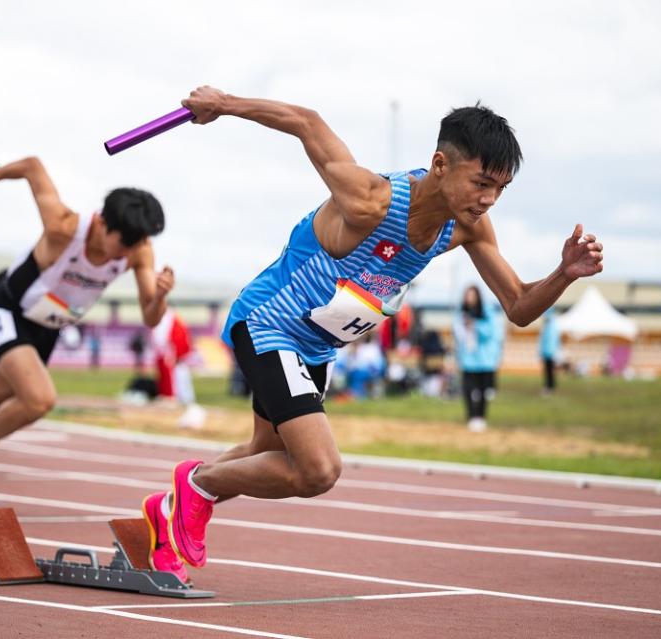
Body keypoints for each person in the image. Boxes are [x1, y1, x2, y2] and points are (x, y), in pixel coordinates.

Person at [142, 86, 604, 580]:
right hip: (268, 323)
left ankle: (169, 506)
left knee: (265, 454)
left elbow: (517, 306)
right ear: (441, 164)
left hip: (317, 347)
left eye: (501, 189)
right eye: (481, 182)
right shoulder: (372, 201)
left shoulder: (468, 227)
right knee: (318, 469)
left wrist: (564, 274)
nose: (488, 199)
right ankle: (197, 486)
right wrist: (224, 104)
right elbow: (307, 120)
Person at [0, 157, 173, 504]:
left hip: (50, 325)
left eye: (137, 245)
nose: (129, 254)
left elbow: (150, 316)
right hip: (9, 310)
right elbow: (33, 167)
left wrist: (159, 296)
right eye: (124, 244)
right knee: (39, 399)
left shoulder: (139, 250)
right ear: (102, 222)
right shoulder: (64, 227)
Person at [452, 285, 501, 431]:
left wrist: (475, 325)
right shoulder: (461, 312)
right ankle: (471, 416)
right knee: (468, 389)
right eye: (467, 295)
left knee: (483, 391)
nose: (469, 298)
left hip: (485, 359)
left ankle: (480, 416)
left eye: (472, 295)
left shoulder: (487, 312)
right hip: (467, 358)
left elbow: (490, 332)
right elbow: (457, 331)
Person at [539, 306, 561, 393]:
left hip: (551, 353)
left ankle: (550, 386)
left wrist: (554, 352)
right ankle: (549, 385)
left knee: (550, 371)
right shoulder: (547, 326)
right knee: (548, 370)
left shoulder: (552, 326)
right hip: (547, 352)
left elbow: (553, 341)